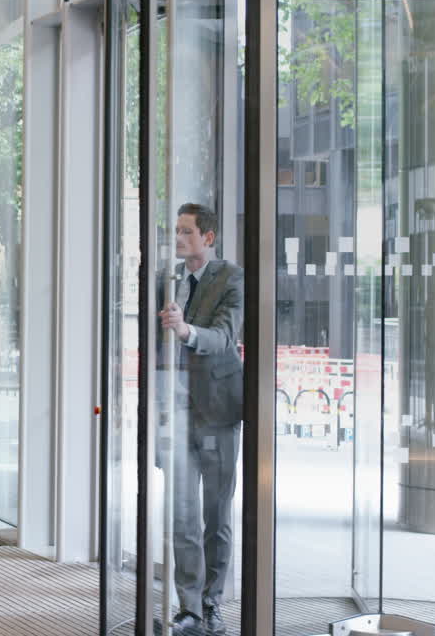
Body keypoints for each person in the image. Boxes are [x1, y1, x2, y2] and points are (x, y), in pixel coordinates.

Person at [157, 203, 244, 636]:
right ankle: (188, 607)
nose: (179, 239)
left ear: (208, 237)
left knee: (216, 514)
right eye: (176, 231)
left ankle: (213, 602)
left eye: (187, 232)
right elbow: (155, 352)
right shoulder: (165, 280)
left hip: (218, 413)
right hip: (176, 413)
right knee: (183, 515)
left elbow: (226, 337)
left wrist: (186, 330)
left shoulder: (231, 278)